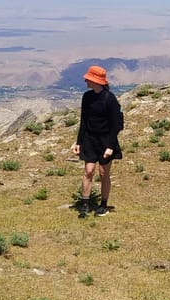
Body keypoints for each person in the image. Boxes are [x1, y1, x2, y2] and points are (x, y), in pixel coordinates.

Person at [71, 66, 123, 219]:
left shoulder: (110, 99)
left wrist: (110, 146)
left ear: (96, 81)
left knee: (103, 173)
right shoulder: (87, 97)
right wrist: (79, 142)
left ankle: (103, 204)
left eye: (89, 78)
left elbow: (116, 125)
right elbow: (84, 121)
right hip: (89, 139)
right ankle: (85, 204)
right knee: (88, 171)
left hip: (106, 140)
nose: (86, 80)